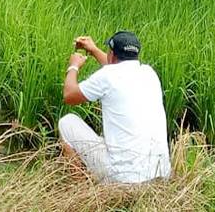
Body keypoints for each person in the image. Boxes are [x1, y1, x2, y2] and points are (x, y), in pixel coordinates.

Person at [60, 31, 171, 184]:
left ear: (111, 54)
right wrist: (93, 50)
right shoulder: (149, 73)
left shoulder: (107, 76)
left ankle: (82, 191)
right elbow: (118, 70)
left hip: (123, 179)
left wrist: (73, 66)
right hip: (159, 175)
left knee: (66, 122)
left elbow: (69, 95)